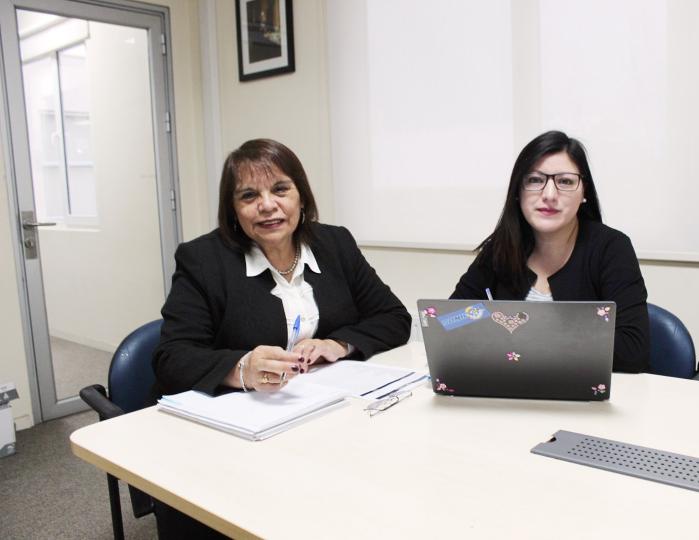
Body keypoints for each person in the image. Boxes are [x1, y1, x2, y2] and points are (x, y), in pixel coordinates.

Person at [150, 138, 411, 537]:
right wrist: (241, 368)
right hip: (240, 435)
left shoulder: (335, 243)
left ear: (301, 198)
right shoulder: (203, 261)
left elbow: (393, 317)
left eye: (281, 190)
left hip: (323, 420)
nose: (268, 205)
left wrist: (338, 345)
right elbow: (171, 357)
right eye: (249, 195)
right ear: (234, 211)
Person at [450, 131, 649, 372]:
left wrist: (527, 336)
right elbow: (451, 321)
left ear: (584, 192)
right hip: (507, 392)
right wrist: (482, 316)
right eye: (535, 180)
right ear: (517, 191)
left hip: (583, 400)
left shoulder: (611, 248)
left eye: (565, 181)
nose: (549, 195)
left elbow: (632, 351)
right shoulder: (501, 247)